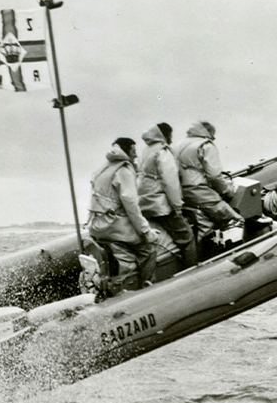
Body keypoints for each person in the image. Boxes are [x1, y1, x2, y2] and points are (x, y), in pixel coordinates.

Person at [87, 137, 159, 290]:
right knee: (148, 249)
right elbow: (131, 206)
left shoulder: (105, 167)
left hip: (99, 225)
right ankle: (146, 288)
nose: (136, 155)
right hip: (113, 227)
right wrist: (147, 232)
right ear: (126, 151)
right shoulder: (124, 170)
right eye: (133, 151)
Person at [138, 122, 198, 268]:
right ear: (164, 135)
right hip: (160, 205)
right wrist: (177, 206)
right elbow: (170, 182)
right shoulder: (163, 151)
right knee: (187, 237)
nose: (171, 139)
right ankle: (192, 270)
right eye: (170, 135)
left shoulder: (146, 151)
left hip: (145, 204)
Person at [175, 121, 242, 229]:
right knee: (234, 219)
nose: (213, 138)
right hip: (198, 189)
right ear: (207, 132)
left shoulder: (177, 146)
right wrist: (227, 192)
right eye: (213, 135)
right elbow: (214, 176)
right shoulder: (205, 145)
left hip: (181, 192)